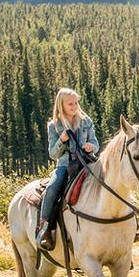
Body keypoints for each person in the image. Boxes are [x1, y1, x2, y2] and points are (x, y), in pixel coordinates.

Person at [36, 87, 98, 251]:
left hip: (87, 162)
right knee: (53, 187)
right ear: (61, 105)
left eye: (76, 103)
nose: (74, 106)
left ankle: (131, 226)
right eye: (70, 103)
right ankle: (45, 229)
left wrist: (91, 146)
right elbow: (53, 154)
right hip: (65, 165)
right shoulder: (54, 125)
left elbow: (96, 144)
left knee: (111, 178)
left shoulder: (86, 121)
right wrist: (62, 140)